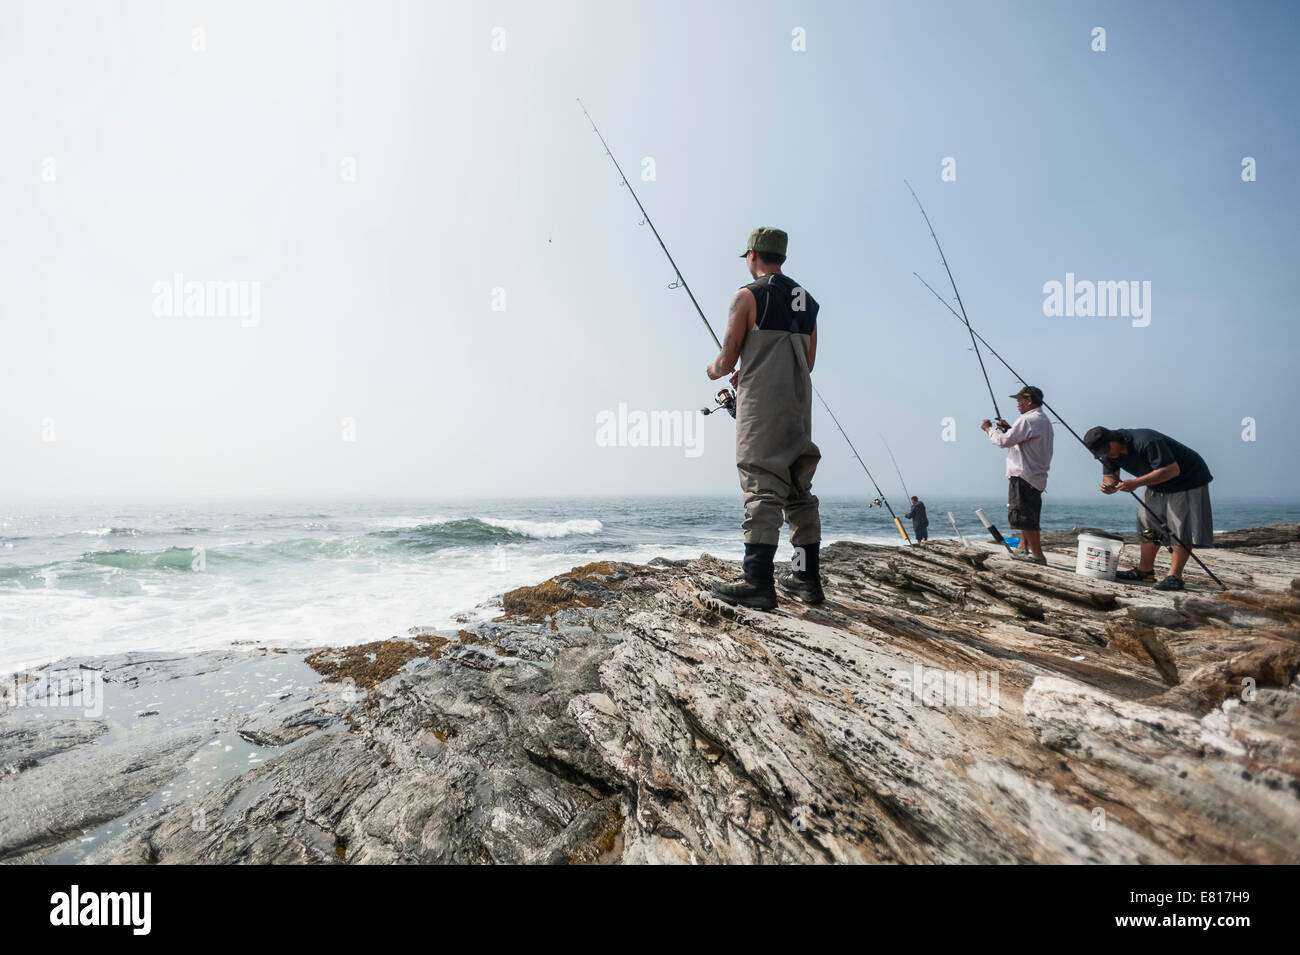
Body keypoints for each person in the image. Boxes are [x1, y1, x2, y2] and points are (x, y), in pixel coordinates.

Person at [706, 227, 823, 609]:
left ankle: (757, 582)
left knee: (760, 483)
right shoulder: (808, 301)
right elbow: (807, 362)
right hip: (798, 404)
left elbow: (725, 361)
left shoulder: (747, 296)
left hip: (761, 407)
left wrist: (714, 370)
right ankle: (806, 579)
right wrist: (755, 364)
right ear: (783, 259)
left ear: (752, 254)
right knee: (798, 489)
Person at [1082, 426, 1214, 592]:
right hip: (1155, 483)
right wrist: (1109, 487)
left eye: (1106, 449)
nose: (1106, 454)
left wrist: (1136, 483)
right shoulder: (1108, 454)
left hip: (1187, 480)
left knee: (1180, 527)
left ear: (1114, 439)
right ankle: (1145, 571)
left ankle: (1175, 576)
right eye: (1100, 453)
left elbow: (1172, 470)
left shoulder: (1147, 441)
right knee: (1147, 524)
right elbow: (1110, 477)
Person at [981, 385, 1054, 564]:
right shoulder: (1042, 420)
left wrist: (989, 430)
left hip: (1024, 474)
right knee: (1026, 513)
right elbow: (1022, 440)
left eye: (1020, 400)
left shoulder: (1028, 420)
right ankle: (1022, 548)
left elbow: (1003, 442)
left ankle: (1037, 555)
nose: (1018, 404)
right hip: (1035, 475)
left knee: (1024, 516)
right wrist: (1008, 428)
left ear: (1029, 401)